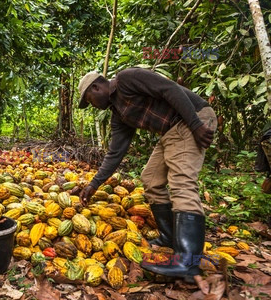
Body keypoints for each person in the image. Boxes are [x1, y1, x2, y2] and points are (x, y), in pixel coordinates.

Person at [77, 67, 217, 284]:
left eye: (90, 100)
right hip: (172, 130)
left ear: (96, 87)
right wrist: (93, 185)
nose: (93, 106)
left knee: (181, 183)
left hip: (192, 118)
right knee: (151, 179)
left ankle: (189, 262)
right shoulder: (118, 114)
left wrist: (196, 124)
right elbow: (115, 153)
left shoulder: (126, 79)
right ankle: (171, 238)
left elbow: (169, 89)